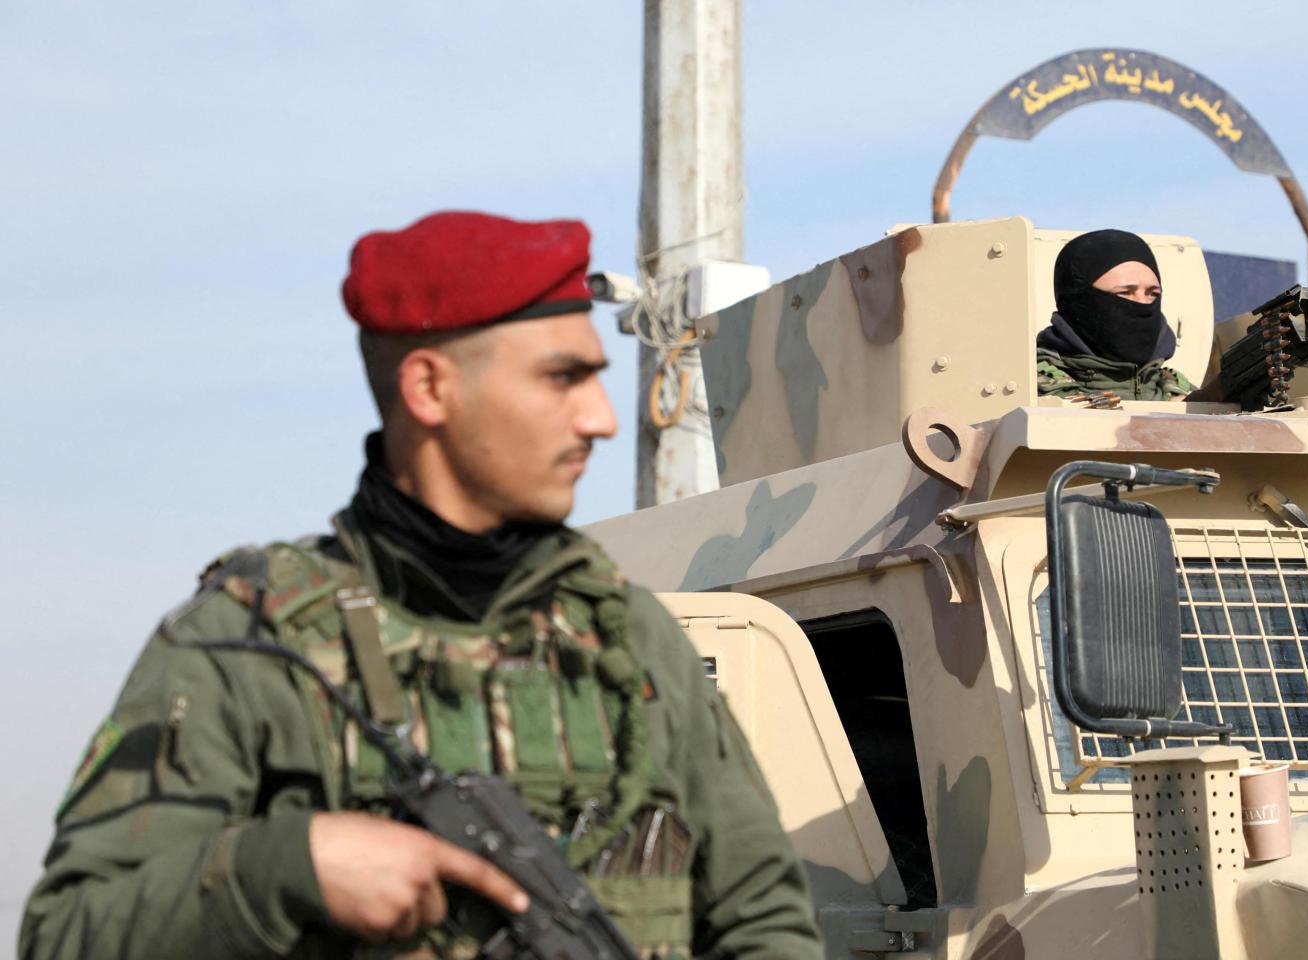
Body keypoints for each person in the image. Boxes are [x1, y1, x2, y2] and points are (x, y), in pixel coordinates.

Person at [20, 212, 824, 960]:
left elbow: (766, 924)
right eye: (562, 378)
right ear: (429, 389)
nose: (602, 419)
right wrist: (287, 866)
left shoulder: (632, 640)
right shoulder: (245, 646)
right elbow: (64, 933)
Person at [1036, 229, 1194, 402]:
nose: (1143, 303)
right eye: (1125, 293)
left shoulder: (1181, 393)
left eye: (1152, 294)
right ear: (1079, 301)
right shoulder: (1030, 391)